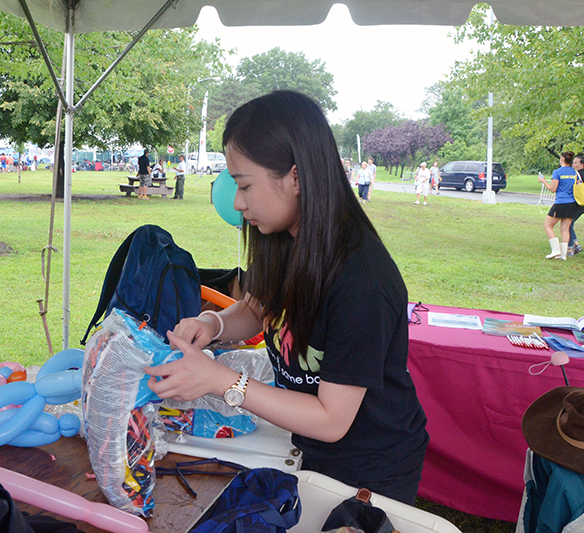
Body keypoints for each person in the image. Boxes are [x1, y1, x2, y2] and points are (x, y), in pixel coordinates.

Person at [145, 91, 428, 504]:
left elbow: (333, 420)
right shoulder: (284, 238)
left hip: (370, 468)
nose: (238, 203)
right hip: (310, 449)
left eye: (244, 185)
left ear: (295, 177)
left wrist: (222, 381)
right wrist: (214, 324)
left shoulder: (361, 281)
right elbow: (259, 309)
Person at [539, 151, 578, 260]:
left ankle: (555, 250)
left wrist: (543, 181)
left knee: (548, 225)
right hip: (572, 204)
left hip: (561, 203)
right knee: (565, 229)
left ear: (562, 159)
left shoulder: (557, 172)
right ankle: (563, 254)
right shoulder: (575, 172)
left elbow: (552, 189)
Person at [567, 154, 584, 257]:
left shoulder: (578, 175)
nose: (573, 165)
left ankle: (573, 246)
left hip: (580, 203)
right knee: (570, 223)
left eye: (575, 163)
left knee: (568, 223)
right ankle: (575, 244)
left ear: (582, 164)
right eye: (573, 162)